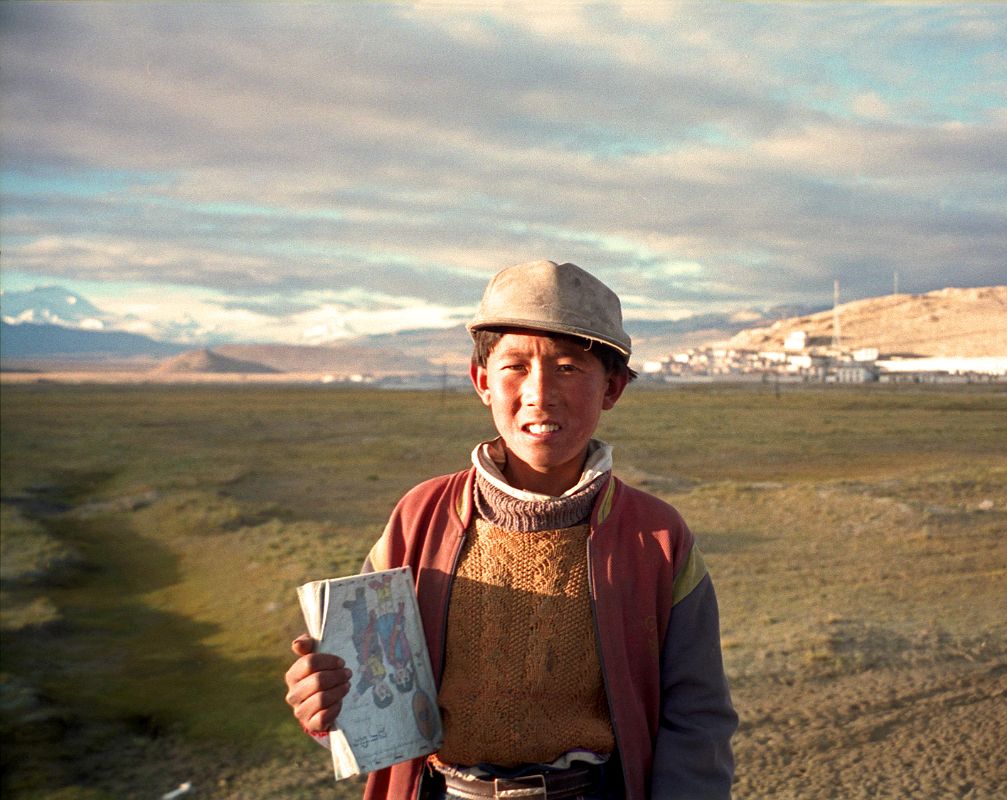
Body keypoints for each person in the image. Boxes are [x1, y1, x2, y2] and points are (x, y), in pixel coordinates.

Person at [284, 260, 737, 799]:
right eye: (515, 366)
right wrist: (325, 703)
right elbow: (367, 701)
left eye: (569, 367)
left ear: (612, 387)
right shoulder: (420, 517)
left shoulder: (657, 538)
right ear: (481, 382)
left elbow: (698, 718)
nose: (540, 393)